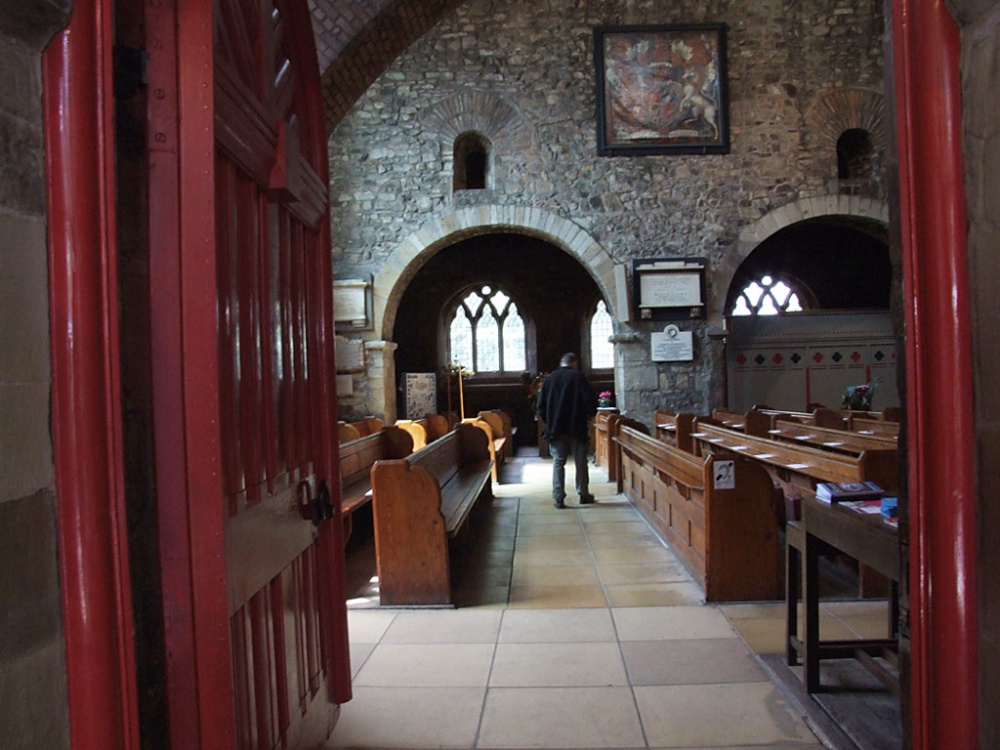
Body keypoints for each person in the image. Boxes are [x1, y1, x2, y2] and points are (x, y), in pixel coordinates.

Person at [535, 352, 598, 508]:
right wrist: (590, 414)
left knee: (558, 462)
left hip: (556, 429)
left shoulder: (549, 380)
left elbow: (540, 406)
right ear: (574, 363)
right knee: (581, 462)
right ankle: (583, 494)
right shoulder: (578, 377)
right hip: (577, 427)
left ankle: (558, 497)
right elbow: (590, 401)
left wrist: (549, 421)